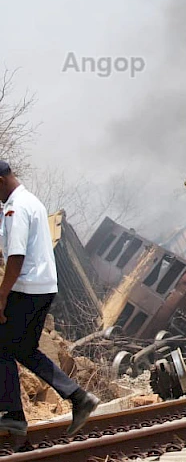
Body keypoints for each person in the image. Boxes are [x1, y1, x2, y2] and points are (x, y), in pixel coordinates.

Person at [0, 161, 99, 436]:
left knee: (2, 347)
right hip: (43, 287)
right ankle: (79, 398)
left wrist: (2, 294)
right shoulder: (31, 202)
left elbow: (16, 256)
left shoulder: (15, 208)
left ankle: (13, 415)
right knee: (23, 349)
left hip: (26, 287)